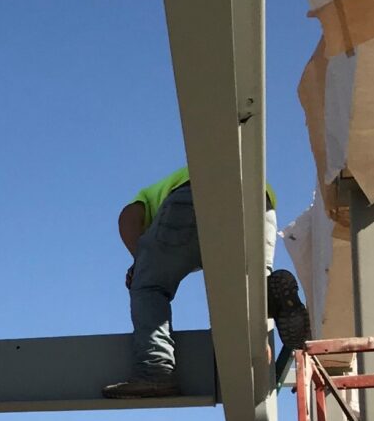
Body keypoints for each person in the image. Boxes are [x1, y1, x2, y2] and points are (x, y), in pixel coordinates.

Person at [102, 166, 310, 399]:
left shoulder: (147, 198)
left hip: (196, 194)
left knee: (149, 286)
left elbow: (126, 217)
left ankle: (155, 370)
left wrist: (139, 262)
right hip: (261, 203)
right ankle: (262, 322)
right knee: (251, 290)